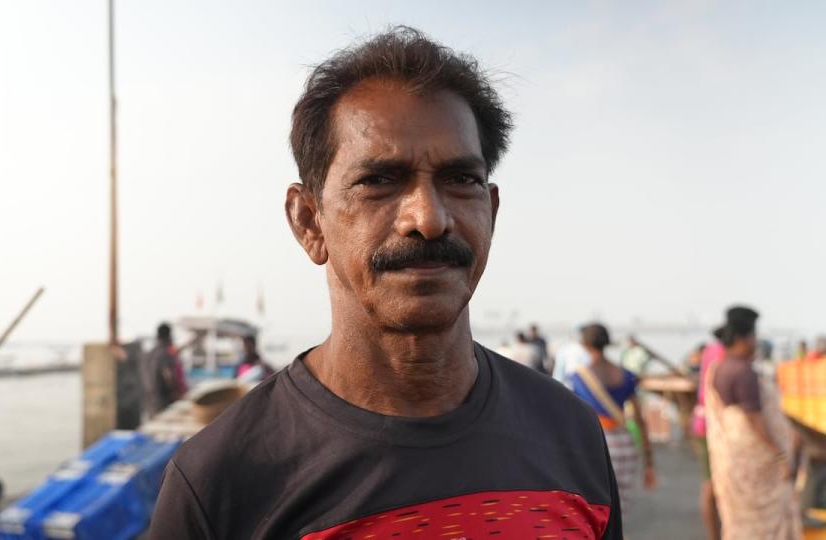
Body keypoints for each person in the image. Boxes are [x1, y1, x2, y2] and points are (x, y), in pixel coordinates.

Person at [150, 26, 622, 539]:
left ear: (492, 210)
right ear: (309, 222)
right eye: (379, 180)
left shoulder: (569, 432)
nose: (429, 218)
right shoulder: (221, 482)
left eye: (460, 179)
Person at [706, 306, 801, 539]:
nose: (756, 342)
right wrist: (780, 455)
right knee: (764, 526)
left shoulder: (718, 367)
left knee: (739, 523)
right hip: (757, 465)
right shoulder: (743, 371)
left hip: (733, 461)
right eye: (753, 336)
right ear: (741, 339)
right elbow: (754, 419)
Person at [571, 323, 656, 512]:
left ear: (585, 344)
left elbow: (575, 422)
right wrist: (649, 462)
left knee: (595, 507)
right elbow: (640, 419)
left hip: (597, 445)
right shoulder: (625, 375)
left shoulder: (580, 377)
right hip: (625, 444)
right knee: (619, 508)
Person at [691, 333, 725, 540]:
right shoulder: (721, 352)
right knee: (712, 485)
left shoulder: (711, 350)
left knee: (711, 484)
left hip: (704, 423)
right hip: (712, 426)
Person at [140, 323, 186, 417]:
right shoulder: (165, 353)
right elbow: (168, 375)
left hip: (149, 401)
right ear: (169, 336)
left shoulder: (149, 353)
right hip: (164, 401)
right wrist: (178, 393)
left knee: (153, 425)